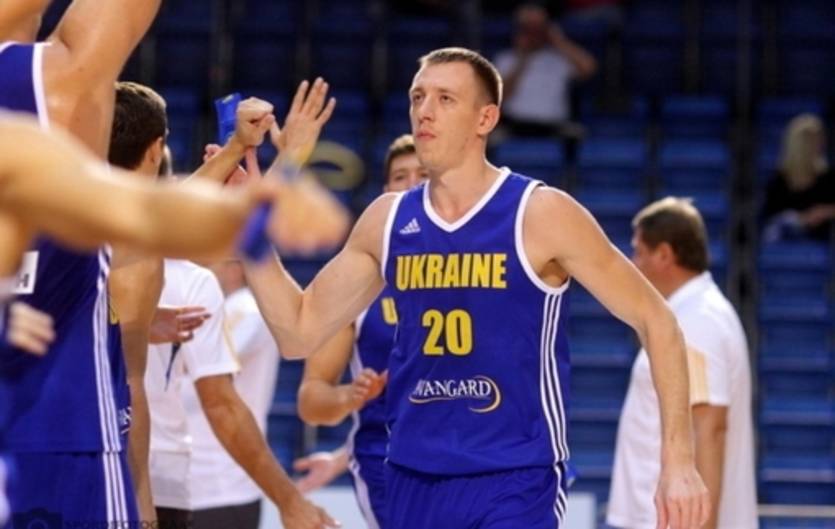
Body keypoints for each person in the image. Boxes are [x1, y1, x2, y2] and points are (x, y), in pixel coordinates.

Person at [244, 47, 709, 529]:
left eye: (445, 99)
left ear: (485, 118)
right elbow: (297, 331)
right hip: (410, 476)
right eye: (418, 97)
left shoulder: (540, 213)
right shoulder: (387, 221)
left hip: (513, 480)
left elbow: (658, 321)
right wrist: (251, 215)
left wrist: (678, 462)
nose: (424, 111)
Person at [0, 1, 346, 524]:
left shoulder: (30, 142)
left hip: (68, 435)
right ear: (156, 148)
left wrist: (253, 205)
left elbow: (143, 214)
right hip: (68, 436)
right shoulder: (48, 96)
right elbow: (146, 215)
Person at [105, 81, 336, 529]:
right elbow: (223, 403)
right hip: (152, 471)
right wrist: (285, 160)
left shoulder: (54, 224)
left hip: (52, 454)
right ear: (155, 152)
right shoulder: (178, 270)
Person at [293, 134, 428, 528]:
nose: (412, 184)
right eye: (400, 176)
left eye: (423, 174)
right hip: (388, 464)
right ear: (385, 193)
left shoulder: (479, 262)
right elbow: (311, 398)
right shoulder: (360, 279)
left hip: (475, 454)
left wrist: (339, 458)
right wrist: (349, 396)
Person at [608, 197, 757, 529]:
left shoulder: (698, 321)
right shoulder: (692, 314)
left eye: (639, 252)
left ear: (664, 255)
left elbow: (710, 429)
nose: (633, 263)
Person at [178, 259, 280, 529]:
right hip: (198, 482)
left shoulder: (247, 309)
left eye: (206, 262)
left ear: (234, 268)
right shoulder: (225, 309)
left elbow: (199, 363)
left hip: (222, 483)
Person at [493, 3, 597, 138]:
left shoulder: (560, 59)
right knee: (491, 137)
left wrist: (559, 42)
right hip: (514, 124)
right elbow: (500, 97)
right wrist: (522, 59)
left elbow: (589, 69)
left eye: (537, 29)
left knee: (576, 133)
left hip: (554, 125)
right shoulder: (505, 59)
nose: (533, 35)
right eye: (527, 29)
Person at [762, 113, 835, 242]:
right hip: (788, 241)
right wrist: (802, 219)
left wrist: (824, 212)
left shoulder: (828, 177)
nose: (821, 144)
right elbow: (769, 216)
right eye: (814, 140)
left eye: (820, 139)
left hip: (823, 240)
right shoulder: (779, 180)